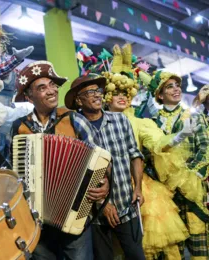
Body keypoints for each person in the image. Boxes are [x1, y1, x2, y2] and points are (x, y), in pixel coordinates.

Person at [10, 61, 109, 260]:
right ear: (29, 97)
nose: (51, 91)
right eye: (42, 87)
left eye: (53, 85)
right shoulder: (19, 127)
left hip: (75, 212)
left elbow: (101, 159)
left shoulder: (74, 119)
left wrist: (105, 182)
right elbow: (11, 171)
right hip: (35, 218)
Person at [89, 64, 190, 259]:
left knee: (146, 248)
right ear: (107, 96)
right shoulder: (92, 122)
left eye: (125, 92)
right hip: (103, 192)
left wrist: (178, 137)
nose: (122, 96)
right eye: (116, 92)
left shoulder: (141, 122)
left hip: (138, 189)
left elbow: (157, 143)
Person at [65, 73, 146, 260]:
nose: (97, 95)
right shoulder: (73, 126)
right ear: (79, 100)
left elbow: (135, 155)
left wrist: (139, 187)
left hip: (126, 205)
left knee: (137, 256)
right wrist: (103, 204)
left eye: (98, 90)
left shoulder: (120, 120)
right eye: (90, 91)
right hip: (94, 216)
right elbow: (77, 171)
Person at [146, 71, 209, 260]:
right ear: (159, 94)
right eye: (169, 86)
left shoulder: (194, 117)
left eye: (177, 85)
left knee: (199, 243)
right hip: (166, 195)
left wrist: (194, 176)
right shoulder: (152, 123)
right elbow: (151, 155)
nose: (176, 89)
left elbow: (206, 148)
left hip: (192, 190)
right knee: (173, 248)